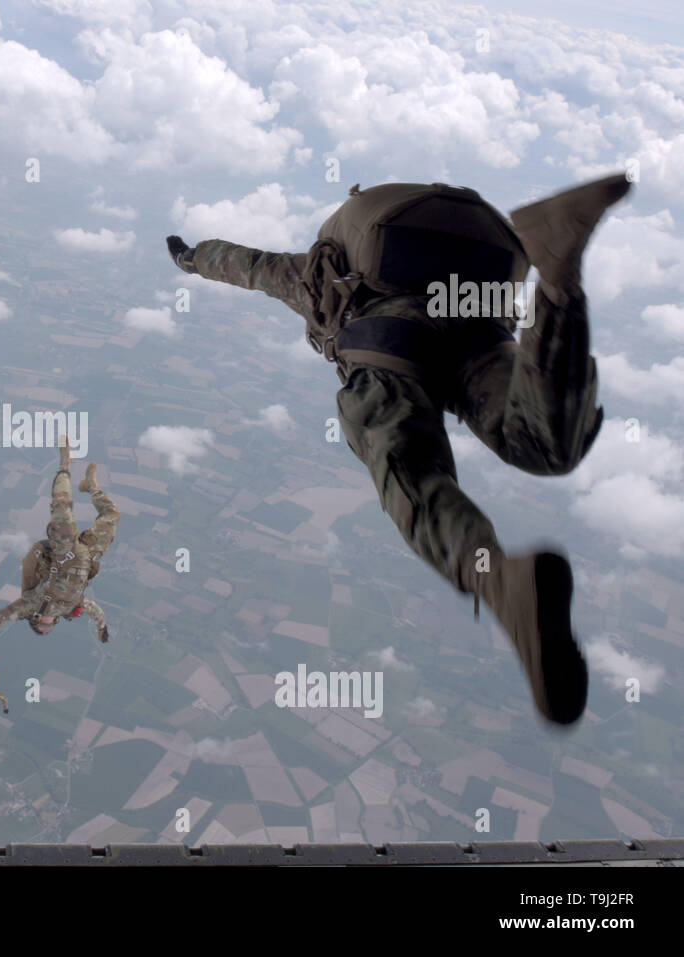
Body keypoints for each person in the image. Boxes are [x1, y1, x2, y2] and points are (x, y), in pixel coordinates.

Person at [166, 174, 633, 725]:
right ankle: (555, 279)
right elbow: (244, 261)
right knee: (543, 442)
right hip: (476, 307)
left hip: (392, 327)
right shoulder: (336, 256)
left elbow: (242, 265)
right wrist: (198, 257)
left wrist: (192, 259)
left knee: (411, 470)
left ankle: (500, 584)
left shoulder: (308, 275)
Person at [0, 437, 120, 657]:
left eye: (42, 627)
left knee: (62, 505)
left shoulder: (31, 604)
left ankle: (64, 465)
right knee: (112, 515)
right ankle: (92, 488)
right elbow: (95, 611)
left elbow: (2, 615)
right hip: (88, 555)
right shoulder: (71, 608)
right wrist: (102, 627)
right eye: (50, 627)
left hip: (63, 552)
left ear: (35, 620)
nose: (47, 625)